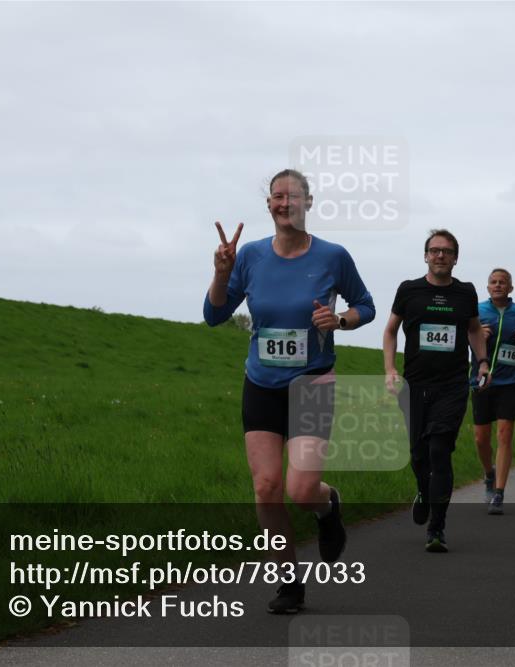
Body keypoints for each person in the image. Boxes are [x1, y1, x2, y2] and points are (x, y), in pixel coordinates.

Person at [203, 169, 376, 614]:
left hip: (313, 382)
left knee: (301, 490)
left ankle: (327, 507)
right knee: (266, 487)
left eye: (293, 196)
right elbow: (214, 314)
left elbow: (366, 305)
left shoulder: (333, 256)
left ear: (308, 202)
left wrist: (340, 321)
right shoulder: (251, 257)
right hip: (261, 382)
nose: (285, 203)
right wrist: (222, 272)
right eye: (277, 196)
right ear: (269, 205)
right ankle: (289, 584)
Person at [383, 230, 489, 553]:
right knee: (418, 455)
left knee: (440, 450)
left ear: (456, 258)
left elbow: (473, 329)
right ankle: (423, 491)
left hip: (453, 385)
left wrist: (482, 362)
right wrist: (389, 370)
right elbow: (390, 331)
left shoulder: (465, 293)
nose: (440, 255)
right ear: (426, 255)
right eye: (434, 250)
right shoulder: (408, 290)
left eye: (447, 251)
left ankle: (437, 528)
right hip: (414, 384)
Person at [470, 268, 515, 514]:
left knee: (505, 434)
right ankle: (489, 474)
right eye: (493, 282)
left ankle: (499, 492)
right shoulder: (477, 309)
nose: (498, 285)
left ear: (510, 288)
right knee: (480, 438)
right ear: (487, 287)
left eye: (502, 282)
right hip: (482, 381)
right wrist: (477, 335)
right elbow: (468, 337)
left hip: (509, 382)